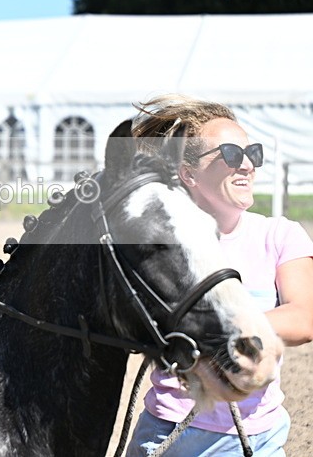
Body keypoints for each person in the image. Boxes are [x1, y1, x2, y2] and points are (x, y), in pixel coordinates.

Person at [126, 94, 313, 456]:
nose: (246, 166)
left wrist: (215, 329)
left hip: (261, 437)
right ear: (188, 174)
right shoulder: (161, 248)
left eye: (252, 154)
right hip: (174, 437)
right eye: (230, 155)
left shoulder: (280, 235)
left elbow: (305, 318)